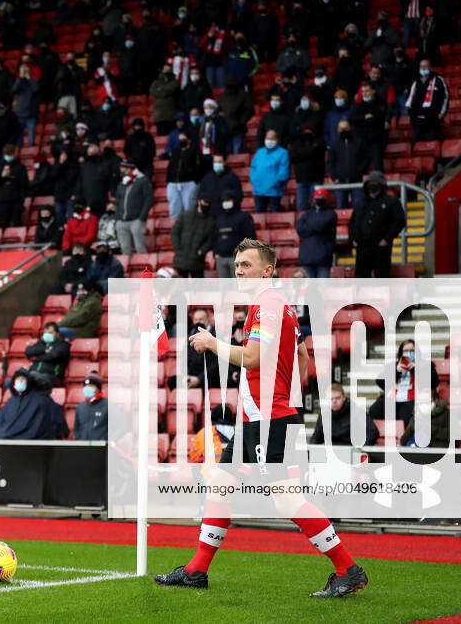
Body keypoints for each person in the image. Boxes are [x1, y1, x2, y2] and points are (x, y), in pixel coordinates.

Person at [156, 238, 368, 597]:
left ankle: (348, 569)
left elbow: (252, 358)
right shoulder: (278, 305)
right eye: (237, 265)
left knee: (287, 499)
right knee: (220, 483)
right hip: (260, 418)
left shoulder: (268, 303)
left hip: (270, 419)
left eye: (247, 265)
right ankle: (196, 570)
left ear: (267, 270)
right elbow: (301, 356)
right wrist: (287, 392)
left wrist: (211, 343)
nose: (239, 271)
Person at [0, 368, 65, 439]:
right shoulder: (13, 400)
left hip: (21, 437)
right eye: (18, 380)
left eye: (22, 380)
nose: (19, 382)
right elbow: (1, 423)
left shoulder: (39, 400)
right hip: (8, 433)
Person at [349, 172, 406, 278]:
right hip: (362, 247)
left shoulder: (391, 201)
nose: (372, 185)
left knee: (382, 277)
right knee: (361, 278)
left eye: (375, 182)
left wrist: (386, 239)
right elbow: (353, 222)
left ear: (382, 185)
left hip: (381, 248)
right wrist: (354, 239)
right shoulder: (360, 203)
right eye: (370, 182)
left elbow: (400, 221)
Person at [311, 384, 379, 447]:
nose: (334, 401)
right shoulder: (324, 415)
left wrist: (360, 449)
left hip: (352, 451)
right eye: (331, 399)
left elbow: (373, 432)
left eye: (337, 398)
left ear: (344, 397)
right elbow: (316, 438)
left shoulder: (356, 411)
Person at [212, 193, 256, 278]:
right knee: (224, 288)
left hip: (238, 258)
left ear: (234, 201)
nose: (226, 202)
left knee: (239, 286)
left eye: (228, 200)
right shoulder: (218, 217)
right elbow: (214, 236)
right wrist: (215, 252)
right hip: (221, 258)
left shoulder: (244, 217)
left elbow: (251, 236)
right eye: (224, 201)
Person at [296, 189, 338, 278]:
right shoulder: (307, 213)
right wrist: (313, 226)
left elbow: (320, 225)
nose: (318, 199)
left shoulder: (331, 214)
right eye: (317, 197)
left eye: (321, 197)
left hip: (323, 257)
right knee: (309, 289)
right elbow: (300, 229)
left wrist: (308, 225)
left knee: (322, 289)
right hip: (307, 256)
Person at [405, 59, 448, 142]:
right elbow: (409, 98)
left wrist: (442, 113)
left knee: (434, 143)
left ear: (431, 68)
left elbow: (445, 97)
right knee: (416, 144)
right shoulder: (414, 81)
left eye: (425, 66)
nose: (423, 68)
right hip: (417, 119)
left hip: (433, 119)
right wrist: (411, 114)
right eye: (421, 66)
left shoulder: (438, 80)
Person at [172, 197, 216, 278]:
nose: (206, 205)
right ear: (199, 201)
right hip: (180, 259)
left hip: (197, 261)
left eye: (208, 203)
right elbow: (175, 231)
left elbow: (211, 239)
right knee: (179, 288)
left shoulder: (211, 221)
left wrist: (201, 251)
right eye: (205, 202)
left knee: (198, 288)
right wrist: (178, 247)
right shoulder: (186, 214)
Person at [114, 161, 152, 254]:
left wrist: (141, 218)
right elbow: (118, 201)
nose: (121, 170)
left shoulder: (143, 180)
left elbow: (148, 199)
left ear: (129, 168)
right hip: (121, 221)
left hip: (136, 220)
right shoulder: (122, 182)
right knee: (125, 249)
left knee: (140, 247)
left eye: (122, 168)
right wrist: (118, 217)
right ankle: (127, 269)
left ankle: (144, 268)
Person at [164, 130, 203, 218]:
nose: (181, 141)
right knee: (174, 211)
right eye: (179, 139)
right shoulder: (176, 151)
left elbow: (199, 167)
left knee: (189, 211)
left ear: (189, 140)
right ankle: (175, 230)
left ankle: (190, 230)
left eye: (183, 139)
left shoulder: (195, 150)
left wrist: (195, 180)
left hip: (189, 183)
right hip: (173, 183)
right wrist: (169, 180)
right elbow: (170, 166)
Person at [250, 130, 290, 213]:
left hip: (274, 191)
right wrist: (254, 181)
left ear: (277, 140)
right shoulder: (260, 152)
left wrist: (276, 183)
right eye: (268, 138)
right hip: (259, 191)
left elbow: (283, 172)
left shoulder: (283, 153)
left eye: (272, 138)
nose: (269, 141)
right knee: (259, 216)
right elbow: (253, 168)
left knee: (275, 217)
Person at [73, 372, 108, 440]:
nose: (87, 388)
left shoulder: (108, 405)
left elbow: (121, 426)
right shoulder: (80, 407)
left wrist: (105, 439)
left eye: (91, 386)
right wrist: (80, 438)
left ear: (98, 388)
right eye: (85, 386)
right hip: (83, 448)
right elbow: (76, 429)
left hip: (101, 448)